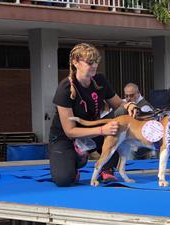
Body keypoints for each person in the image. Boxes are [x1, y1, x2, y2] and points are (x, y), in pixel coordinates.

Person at [49, 43, 138, 187]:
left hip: (92, 130)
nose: (94, 65)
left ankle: (107, 167)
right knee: (63, 179)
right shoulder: (65, 88)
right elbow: (70, 131)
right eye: (90, 62)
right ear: (75, 62)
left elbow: (118, 106)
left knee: (122, 114)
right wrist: (102, 130)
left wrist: (129, 105)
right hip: (66, 138)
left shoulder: (100, 80)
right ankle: (76, 160)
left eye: (96, 61)